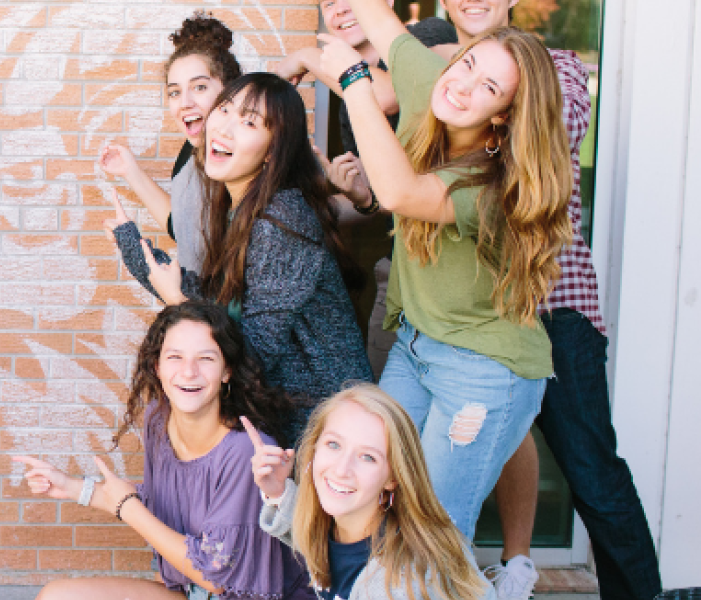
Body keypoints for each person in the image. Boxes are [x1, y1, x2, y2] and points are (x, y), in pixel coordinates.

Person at [409, 2, 661, 598]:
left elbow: (547, 128)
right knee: (424, 470)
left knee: (592, 472)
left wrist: (441, 68)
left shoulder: (559, 69)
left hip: (555, 312)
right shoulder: (443, 81)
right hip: (470, 318)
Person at [316, 0, 573, 551]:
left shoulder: (497, 186)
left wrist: (355, 81)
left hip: (482, 372)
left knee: (433, 531)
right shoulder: (440, 79)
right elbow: (378, 18)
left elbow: (401, 194)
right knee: (379, 502)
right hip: (417, 346)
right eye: (467, 65)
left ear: (503, 113)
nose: (463, 87)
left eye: (489, 89)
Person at [116, 73, 371, 441]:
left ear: (272, 151)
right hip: (293, 415)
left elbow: (253, 355)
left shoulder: (280, 220)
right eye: (225, 110)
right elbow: (224, 307)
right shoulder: (239, 208)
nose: (224, 127)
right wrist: (136, 250)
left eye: (249, 122)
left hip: (327, 426)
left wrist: (177, 300)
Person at [14, 302, 312, 600]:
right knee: (57, 596)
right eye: (175, 357)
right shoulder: (158, 418)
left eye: (206, 358)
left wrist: (128, 509)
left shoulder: (245, 450)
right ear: (157, 366)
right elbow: (161, 502)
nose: (188, 372)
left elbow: (215, 575)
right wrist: (73, 488)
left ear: (226, 371)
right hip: (188, 592)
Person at [272, 0, 457, 347]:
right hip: (401, 267)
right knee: (381, 391)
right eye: (328, 2)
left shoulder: (424, 35)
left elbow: (390, 94)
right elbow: (385, 196)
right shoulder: (348, 104)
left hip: (454, 272)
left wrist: (308, 56)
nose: (340, 9)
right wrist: (349, 197)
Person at [249, 384, 496, 600]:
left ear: (393, 478)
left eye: (368, 457)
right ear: (314, 447)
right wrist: (278, 492)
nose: (342, 469)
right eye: (333, 444)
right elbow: (310, 533)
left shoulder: (398, 585)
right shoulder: (348, 523)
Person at [96, 12, 242, 274]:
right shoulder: (190, 157)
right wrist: (130, 172)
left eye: (199, 87)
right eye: (174, 92)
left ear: (230, 90)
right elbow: (184, 231)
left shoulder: (251, 158)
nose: (184, 102)